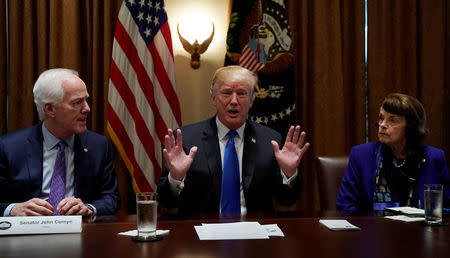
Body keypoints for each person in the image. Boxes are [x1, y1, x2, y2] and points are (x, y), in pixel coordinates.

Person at [157, 65, 310, 217]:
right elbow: (166, 201)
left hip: (254, 232)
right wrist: (175, 178)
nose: (234, 101)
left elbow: (287, 200)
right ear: (213, 98)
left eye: (242, 94)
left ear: (251, 101)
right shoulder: (187, 139)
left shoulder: (270, 141)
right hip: (202, 232)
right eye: (227, 93)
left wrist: (289, 174)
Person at [0, 68, 120, 217]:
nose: (87, 109)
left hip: (82, 234)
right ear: (50, 109)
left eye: (86, 100)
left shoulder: (99, 146)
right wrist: (12, 209)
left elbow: (111, 198)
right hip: (29, 234)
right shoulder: (8, 147)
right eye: (77, 102)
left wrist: (89, 208)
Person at [337, 93, 449, 211]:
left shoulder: (434, 157)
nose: (382, 125)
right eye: (381, 118)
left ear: (411, 126)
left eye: (392, 120)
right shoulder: (361, 155)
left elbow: (446, 207)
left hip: (420, 228)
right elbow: (345, 207)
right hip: (374, 228)